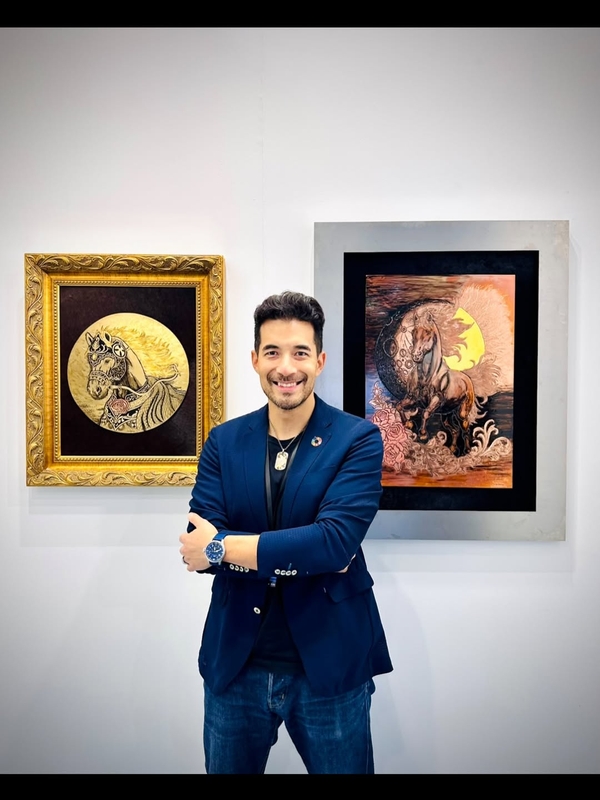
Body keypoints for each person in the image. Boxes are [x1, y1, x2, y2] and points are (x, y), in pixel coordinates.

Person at [179, 290, 393, 774]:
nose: (286, 367)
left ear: (319, 360)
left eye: (300, 352)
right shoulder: (224, 441)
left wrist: (222, 546)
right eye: (273, 352)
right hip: (237, 663)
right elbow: (196, 547)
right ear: (255, 359)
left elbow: (334, 543)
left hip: (329, 663)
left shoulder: (357, 439)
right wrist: (303, 550)